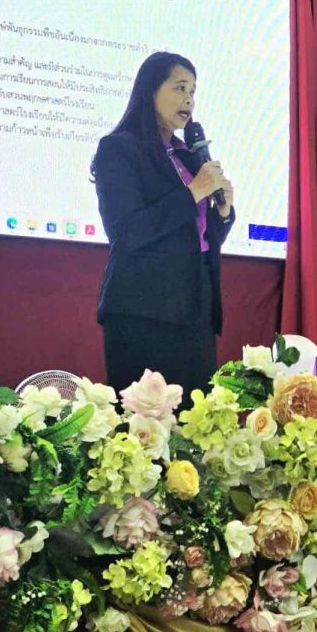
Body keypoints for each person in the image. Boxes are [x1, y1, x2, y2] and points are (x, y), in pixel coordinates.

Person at [92, 51, 235, 406]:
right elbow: (128, 232)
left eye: (193, 91)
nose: (189, 99)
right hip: (144, 312)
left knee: (195, 423)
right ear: (151, 90)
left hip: (195, 310)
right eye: (180, 87)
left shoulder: (186, 156)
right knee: (146, 428)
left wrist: (222, 214)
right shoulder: (119, 149)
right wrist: (193, 193)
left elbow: (198, 239)